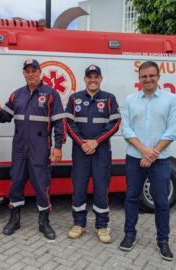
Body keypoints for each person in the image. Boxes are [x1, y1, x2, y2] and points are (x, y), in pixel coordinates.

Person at [0, 59, 65, 240]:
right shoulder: (16, 95)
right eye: (27, 71)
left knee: (42, 185)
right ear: (24, 74)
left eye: (34, 70)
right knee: (16, 182)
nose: (31, 74)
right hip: (19, 148)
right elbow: (5, 118)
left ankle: (44, 222)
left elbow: (60, 123)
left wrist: (58, 147)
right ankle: (14, 219)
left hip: (40, 148)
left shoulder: (51, 94)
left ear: (40, 72)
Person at [120, 61, 176, 261]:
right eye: (144, 76)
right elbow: (126, 130)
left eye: (151, 75)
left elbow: (172, 131)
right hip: (134, 158)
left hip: (160, 161)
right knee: (131, 198)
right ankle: (129, 235)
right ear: (139, 79)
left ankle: (163, 241)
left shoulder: (170, 100)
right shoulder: (130, 100)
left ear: (158, 77)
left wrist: (152, 153)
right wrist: (144, 151)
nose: (148, 79)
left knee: (161, 202)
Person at [65, 65, 121, 243]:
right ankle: (79, 224)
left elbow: (115, 124)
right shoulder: (74, 99)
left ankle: (102, 226)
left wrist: (96, 142)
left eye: (96, 77)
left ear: (101, 79)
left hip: (101, 151)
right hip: (80, 152)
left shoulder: (109, 99)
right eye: (89, 77)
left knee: (101, 190)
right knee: (79, 188)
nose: (93, 80)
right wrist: (83, 143)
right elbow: (68, 124)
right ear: (85, 79)